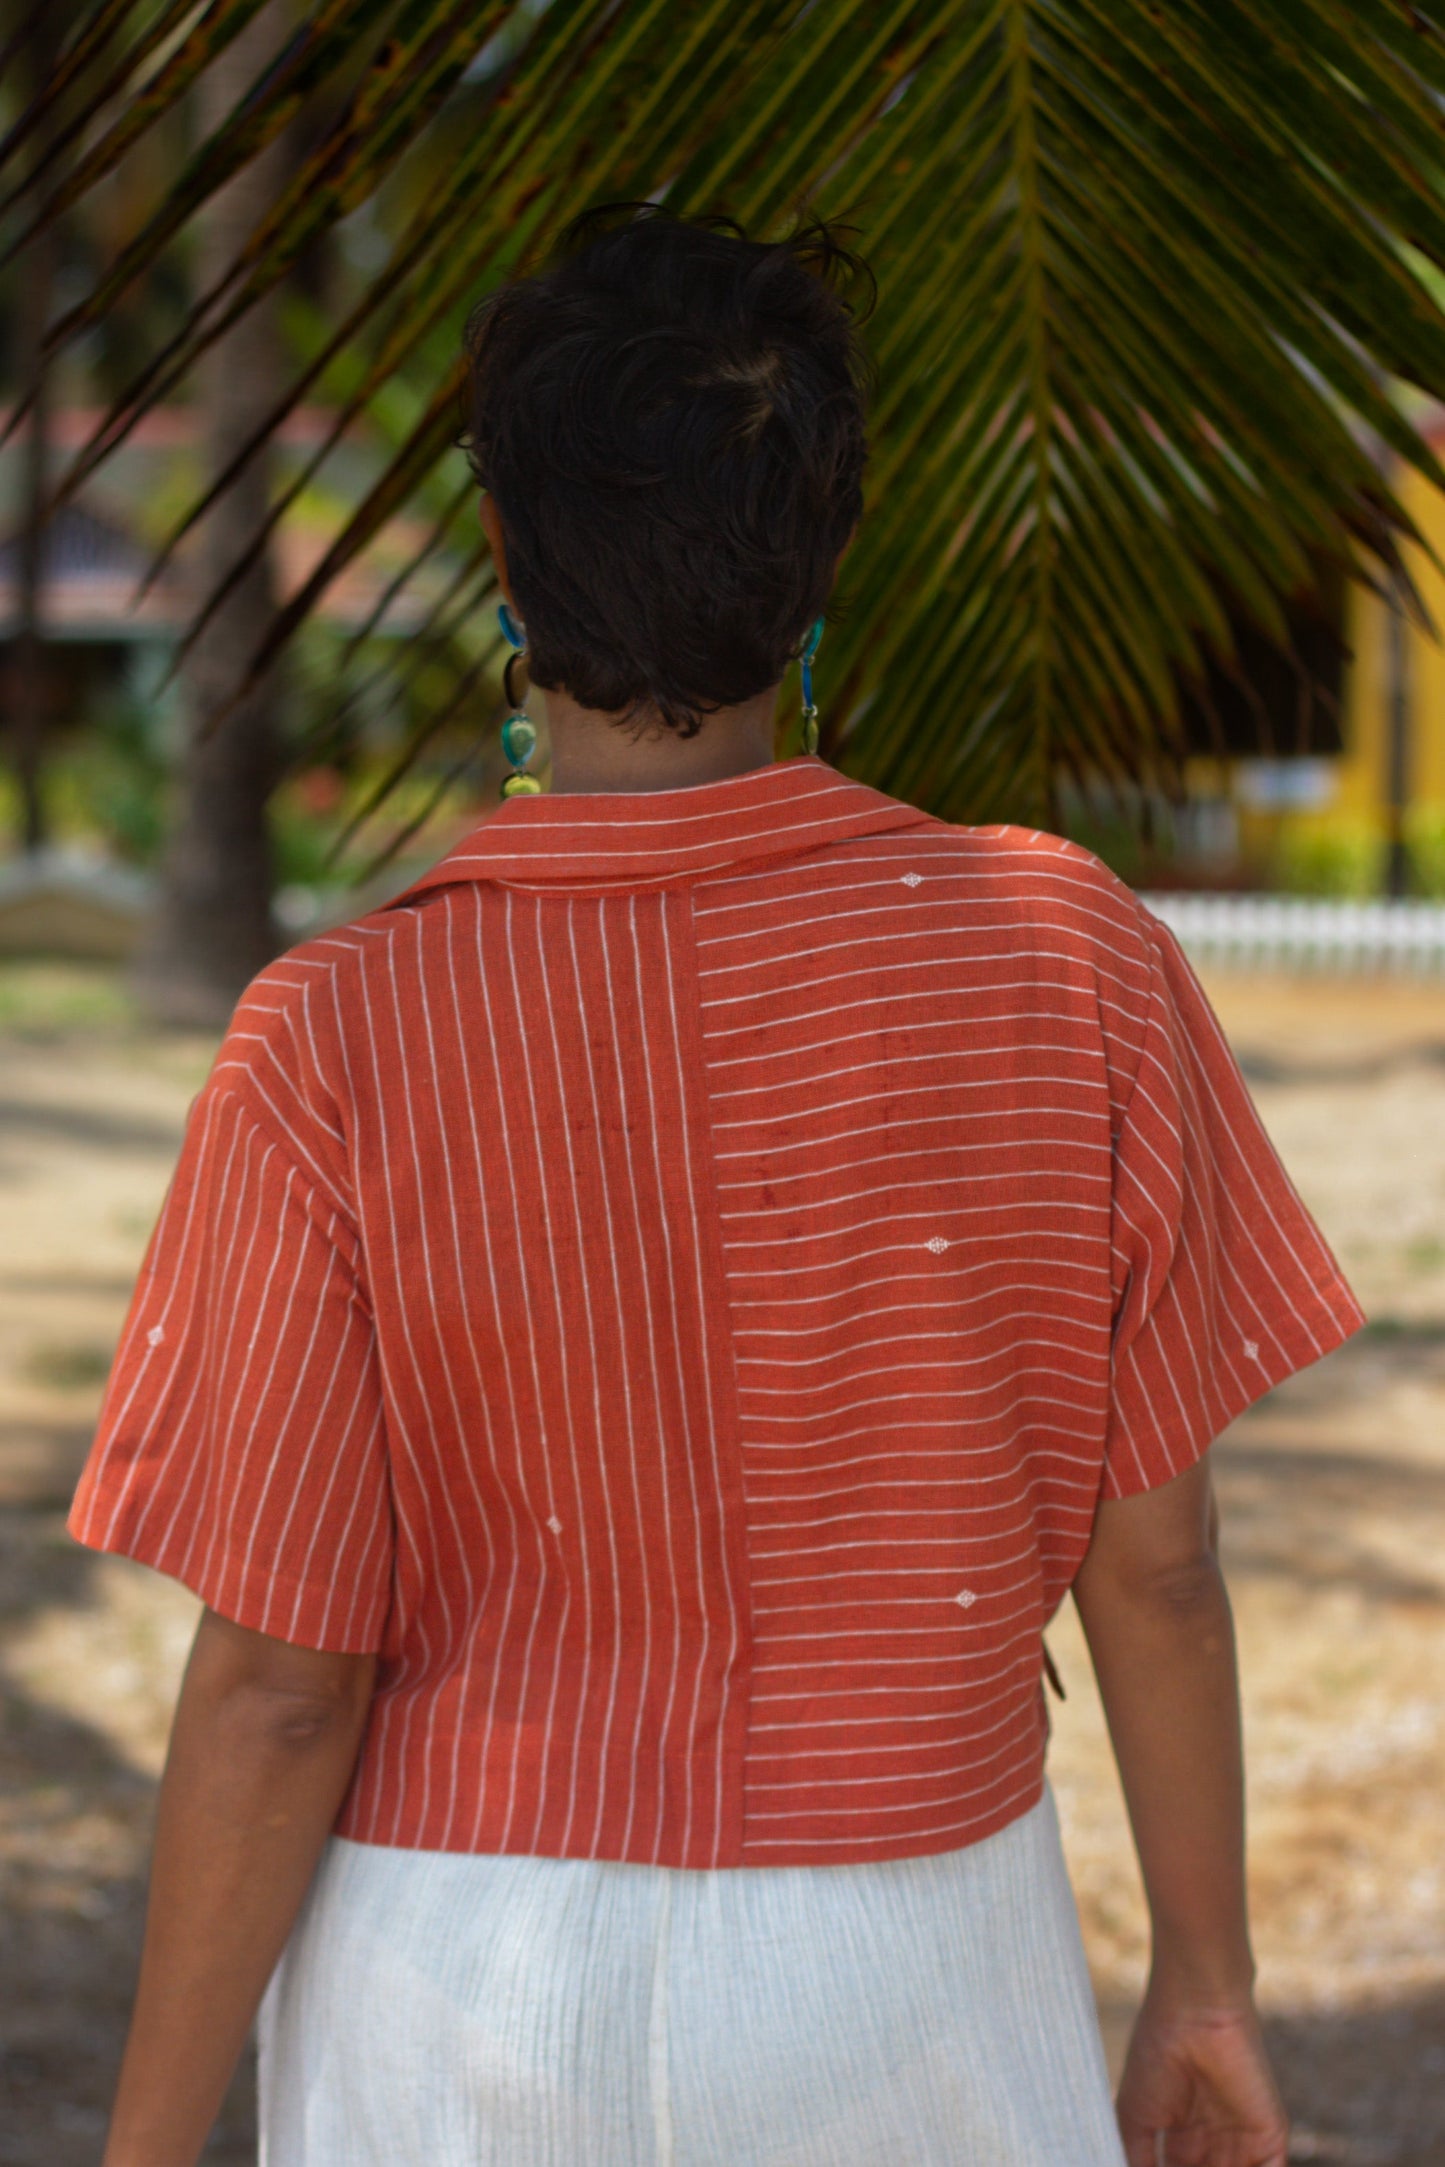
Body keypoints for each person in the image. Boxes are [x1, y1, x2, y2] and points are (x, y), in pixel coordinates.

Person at [71, 206, 1362, 2167]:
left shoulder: (335, 1034)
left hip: (461, 1985)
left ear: (503, 556)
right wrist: (1203, 1977)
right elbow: (1158, 1569)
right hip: (924, 1959)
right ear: (822, 554)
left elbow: (273, 1689)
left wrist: (148, 2148)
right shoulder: (1063, 954)